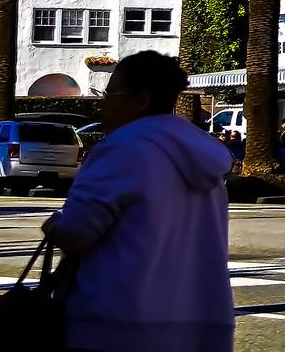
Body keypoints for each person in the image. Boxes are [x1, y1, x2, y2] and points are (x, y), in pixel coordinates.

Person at [42, 51, 234, 352]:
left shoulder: (121, 148)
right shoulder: (204, 154)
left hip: (117, 323)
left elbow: (76, 234)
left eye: (110, 93)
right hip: (202, 324)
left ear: (139, 99)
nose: (103, 103)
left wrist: (54, 226)